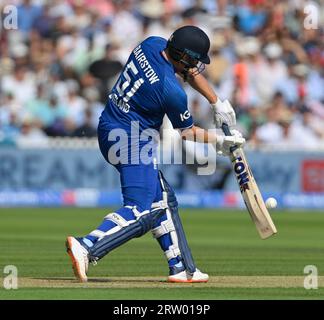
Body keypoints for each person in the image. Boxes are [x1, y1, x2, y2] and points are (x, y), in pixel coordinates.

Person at [65, 25, 245, 283]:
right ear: (181, 55)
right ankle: (87, 246)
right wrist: (221, 142)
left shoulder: (151, 44)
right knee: (142, 209)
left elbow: (188, 71)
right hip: (130, 138)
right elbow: (187, 132)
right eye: (193, 59)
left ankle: (182, 268)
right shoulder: (171, 90)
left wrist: (216, 101)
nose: (195, 66)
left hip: (111, 125)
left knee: (163, 200)